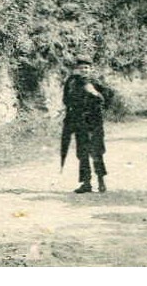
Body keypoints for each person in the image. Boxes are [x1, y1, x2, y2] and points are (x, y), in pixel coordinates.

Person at [60, 56, 111, 193]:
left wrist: (95, 93)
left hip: (94, 121)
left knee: (96, 150)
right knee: (82, 152)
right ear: (76, 69)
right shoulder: (71, 82)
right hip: (79, 121)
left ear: (91, 69)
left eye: (87, 68)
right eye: (81, 68)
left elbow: (108, 99)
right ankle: (86, 183)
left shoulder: (96, 82)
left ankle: (101, 181)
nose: (84, 70)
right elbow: (66, 99)